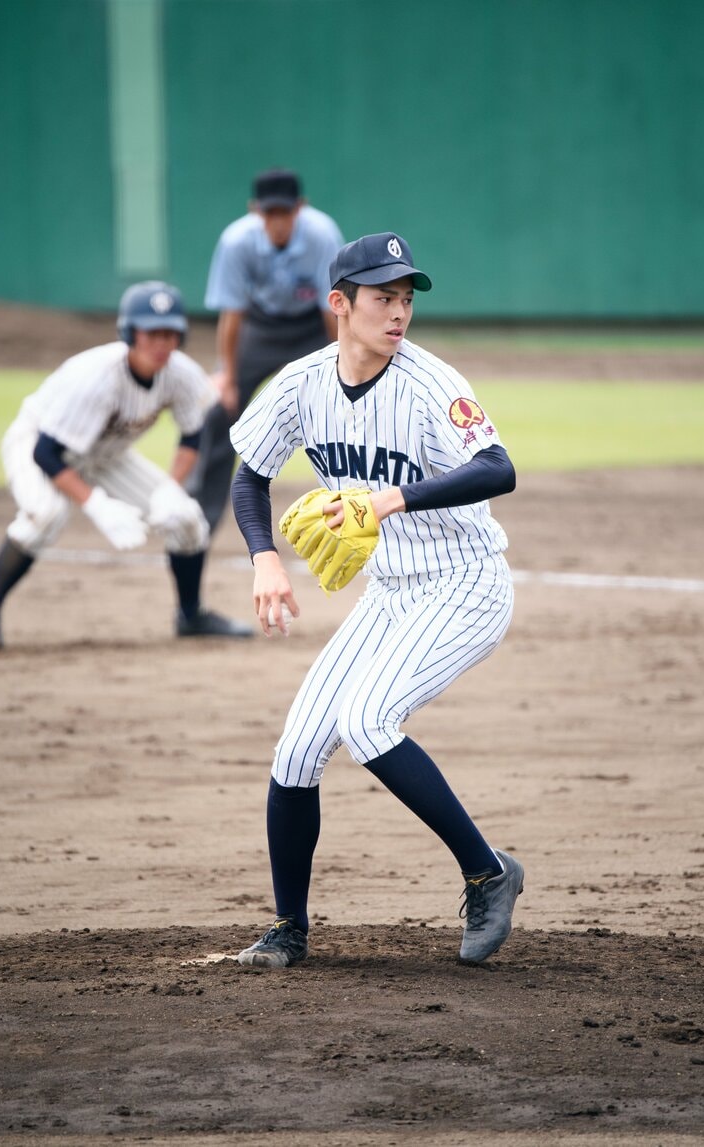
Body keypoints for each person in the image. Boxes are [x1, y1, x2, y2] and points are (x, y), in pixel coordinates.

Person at [228, 232, 524, 969]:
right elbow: (248, 475)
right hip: (391, 594)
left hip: (465, 585)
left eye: (406, 298)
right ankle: (288, 928)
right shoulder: (300, 384)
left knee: (366, 719)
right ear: (340, 304)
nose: (398, 313)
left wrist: (391, 497)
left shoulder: (429, 383)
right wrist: (264, 557)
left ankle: (488, 871)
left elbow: (498, 466)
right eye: (382, 298)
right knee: (296, 750)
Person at [0, 280, 253, 649]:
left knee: (185, 517)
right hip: (36, 441)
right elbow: (46, 453)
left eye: (170, 334)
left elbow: (191, 435)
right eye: (151, 333)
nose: (161, 344)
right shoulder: (97, 377)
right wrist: (95, 504)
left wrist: (169, 488)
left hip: (105, 455)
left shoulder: (180, 373)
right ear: (130, 333)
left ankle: (191, 615)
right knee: (45, 513)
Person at [186, 168, 344, 533]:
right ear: (255, 210)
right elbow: (232, 314)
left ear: (299, 208)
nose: (277, 222)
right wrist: (227, 374)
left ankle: (358, 508)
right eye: (270, 213)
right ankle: (198, 522)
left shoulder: (323, 235)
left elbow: (332, 310)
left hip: (311, 327)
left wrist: (342, 360)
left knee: (343, 406)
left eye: (285, 213)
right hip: (259, 327)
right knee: (220, 412)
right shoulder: (236, 241)